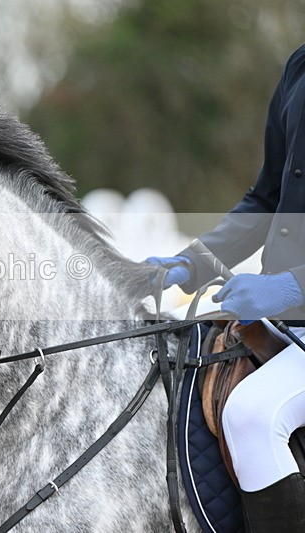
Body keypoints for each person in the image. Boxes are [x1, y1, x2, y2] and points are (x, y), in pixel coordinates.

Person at [146, 44, 305, 532]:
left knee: (253, 414)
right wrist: (193, 262)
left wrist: (292, 287)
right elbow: (267, 197)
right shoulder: (299, 66)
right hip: (286, 323)